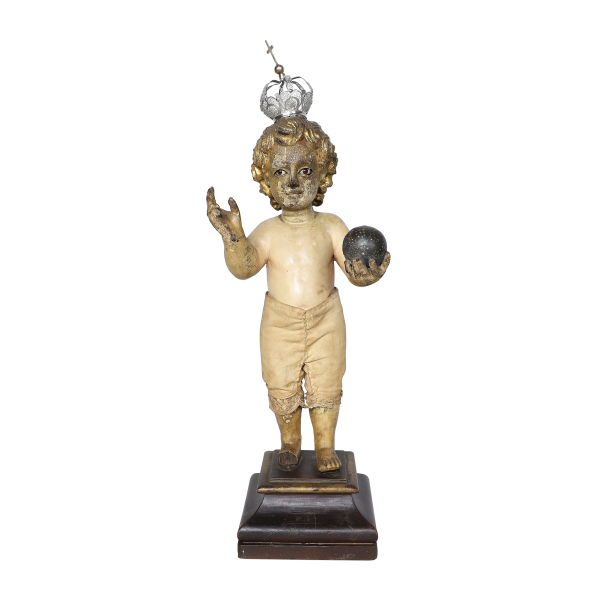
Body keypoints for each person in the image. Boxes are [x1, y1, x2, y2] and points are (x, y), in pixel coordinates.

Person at [206, 115, 390, 472]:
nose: (292, 182)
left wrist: (367, 275)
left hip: (325, 319)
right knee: (281, 383)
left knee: (327, 381)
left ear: (323, 172)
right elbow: (244, 268)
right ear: (265, 179)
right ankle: (289, 443)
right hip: (280, 323)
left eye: (304, 171)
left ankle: (325, 446)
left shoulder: (331, 226)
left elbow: (353, 268)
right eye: (280, 172)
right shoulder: (268, 231)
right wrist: (232, 237)